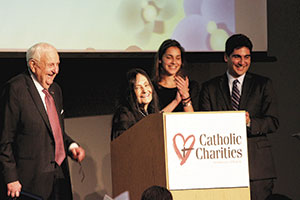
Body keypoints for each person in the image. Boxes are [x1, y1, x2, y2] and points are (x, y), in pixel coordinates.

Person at [198, 34, 279, 200]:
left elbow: (273, 121)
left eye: (247, 57)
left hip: (256, 168)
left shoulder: (263, 84)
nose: (242, 62)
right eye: (237, 57)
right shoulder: (210, 87)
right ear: (226, 57)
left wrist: (250, 122)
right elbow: (203, 125)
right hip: (221, 165)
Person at [0, 42, 85, 200]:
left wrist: (71, 145)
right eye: (51, 64)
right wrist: (10, 177)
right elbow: (5, 138)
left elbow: (54, 131)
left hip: (59, 177)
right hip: (29, 183)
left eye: (58, 64)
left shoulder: (55, 90)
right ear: (33, 65)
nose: (56, 70)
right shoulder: (15, 90)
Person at [111, 68, 160, 141]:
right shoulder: (124, 115)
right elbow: (121, 145)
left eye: (146, 85)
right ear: (130, 92)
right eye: (138, 88)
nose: (145, 90)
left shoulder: (151, 112)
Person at [152, 39, 199, 112]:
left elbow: (193, 120)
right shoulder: (151, 88)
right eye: (169, 57)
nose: (174, 62)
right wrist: (176, 101)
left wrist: (185, 96)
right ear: (160, 60)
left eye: (178, 58)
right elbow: (153, 120)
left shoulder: (192, 86)